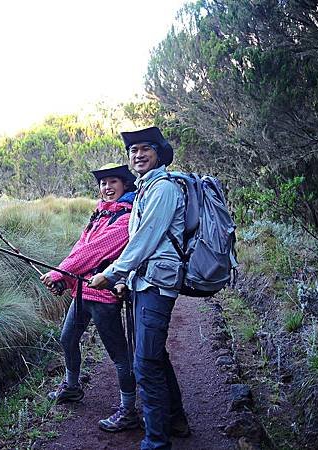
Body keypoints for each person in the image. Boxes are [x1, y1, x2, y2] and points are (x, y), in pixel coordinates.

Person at [88, 127, 190, 450]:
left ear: (158, 153)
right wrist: (124, 280)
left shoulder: (162, 189)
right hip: (143, 283)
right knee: (154, 355)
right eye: (133, 150)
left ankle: (156, 441)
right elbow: (140, 243)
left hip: (157, 286)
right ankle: (176, 420)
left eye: (146, 148)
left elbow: (144, 241)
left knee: (144, 363)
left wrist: (111, 272)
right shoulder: (147, 188)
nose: (138, 154)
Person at [40, 163, 139, 432]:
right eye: (103, 183)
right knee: (67, 338)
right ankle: (72, 387)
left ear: (125, 185)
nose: (107, 188)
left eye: (113, 182)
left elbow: (94, 252)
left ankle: (129, 410)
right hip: (83, 291)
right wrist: (64, 278)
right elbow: (80, 247)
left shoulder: (126, 218)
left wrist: (58, 272)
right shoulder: (100, 213)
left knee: (119, 355)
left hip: (104, 296)